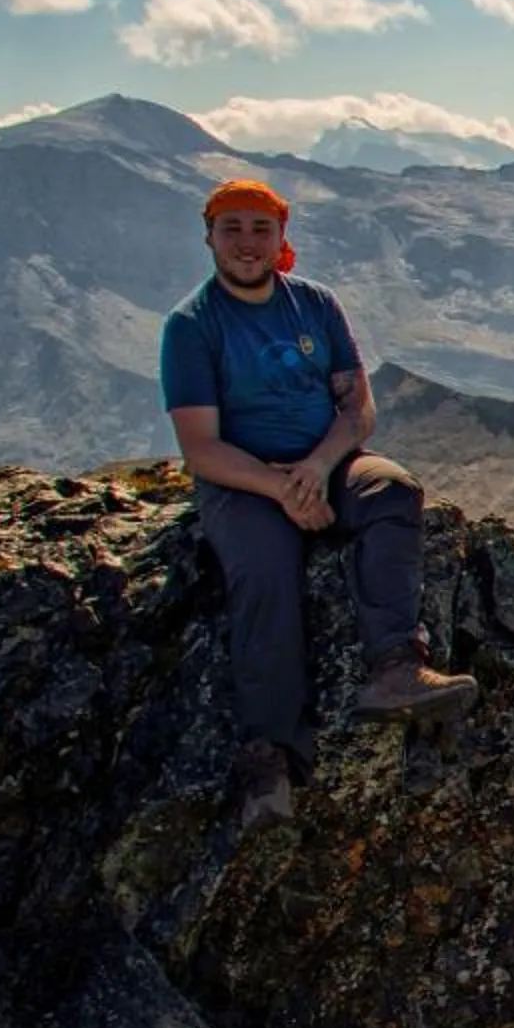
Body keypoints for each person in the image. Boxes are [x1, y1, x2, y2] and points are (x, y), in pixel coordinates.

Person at [161, 178, 476, 826]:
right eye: (231, 228)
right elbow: (201, 448)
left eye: (260, 228)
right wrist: (281, 488)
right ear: (209, 237)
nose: (247, 242)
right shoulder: (192, 326)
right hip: (241, 481)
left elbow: (357, 409)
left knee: (393, 492)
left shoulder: (315, 305)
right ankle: (269, 756)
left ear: (281, 237)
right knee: (264, 567)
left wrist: (317, 467)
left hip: (323, 461)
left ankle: (395, 669)